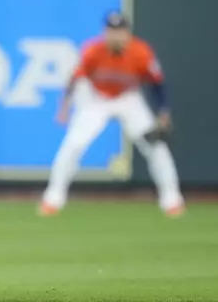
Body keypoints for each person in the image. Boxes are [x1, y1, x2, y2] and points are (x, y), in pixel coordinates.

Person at [40, 12, 185, 217]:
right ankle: (53, 198)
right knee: (74, 144)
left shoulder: (141, 52)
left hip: (129, 98)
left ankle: (172, 200)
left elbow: (157, 84)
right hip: (96, 98)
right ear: (105, 32)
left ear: (127, 33)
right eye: (112, 31)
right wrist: (65, 107)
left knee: (156, 147)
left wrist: (163, 112)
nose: (116, 35)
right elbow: (75, 78)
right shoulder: (93, 50)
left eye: (120, 31)